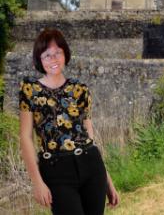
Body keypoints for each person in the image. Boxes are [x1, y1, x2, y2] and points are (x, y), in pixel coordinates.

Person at [19, 28, 119, 214]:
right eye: (47, 55)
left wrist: (108, 181)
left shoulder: (80, 89)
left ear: (65, 54)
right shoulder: (29, 90)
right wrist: (37, 183)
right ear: (39, 59)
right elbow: (25, 138)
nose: (53, 59)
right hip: (56, 171)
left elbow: (89, 138)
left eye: (58, 53)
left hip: (91, 166)